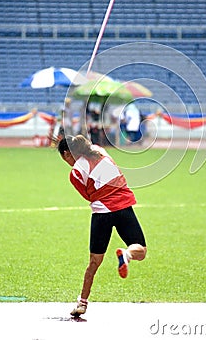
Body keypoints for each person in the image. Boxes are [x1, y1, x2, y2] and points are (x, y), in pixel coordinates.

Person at [56, 134, 147, 316]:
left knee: (94, 263)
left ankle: (82, 303)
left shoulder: (75, 173)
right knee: (141, 251)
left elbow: (88, 196)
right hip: (123, 208)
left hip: (101, 215)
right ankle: (127, 254)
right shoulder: (99, 151)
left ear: (67, 154)